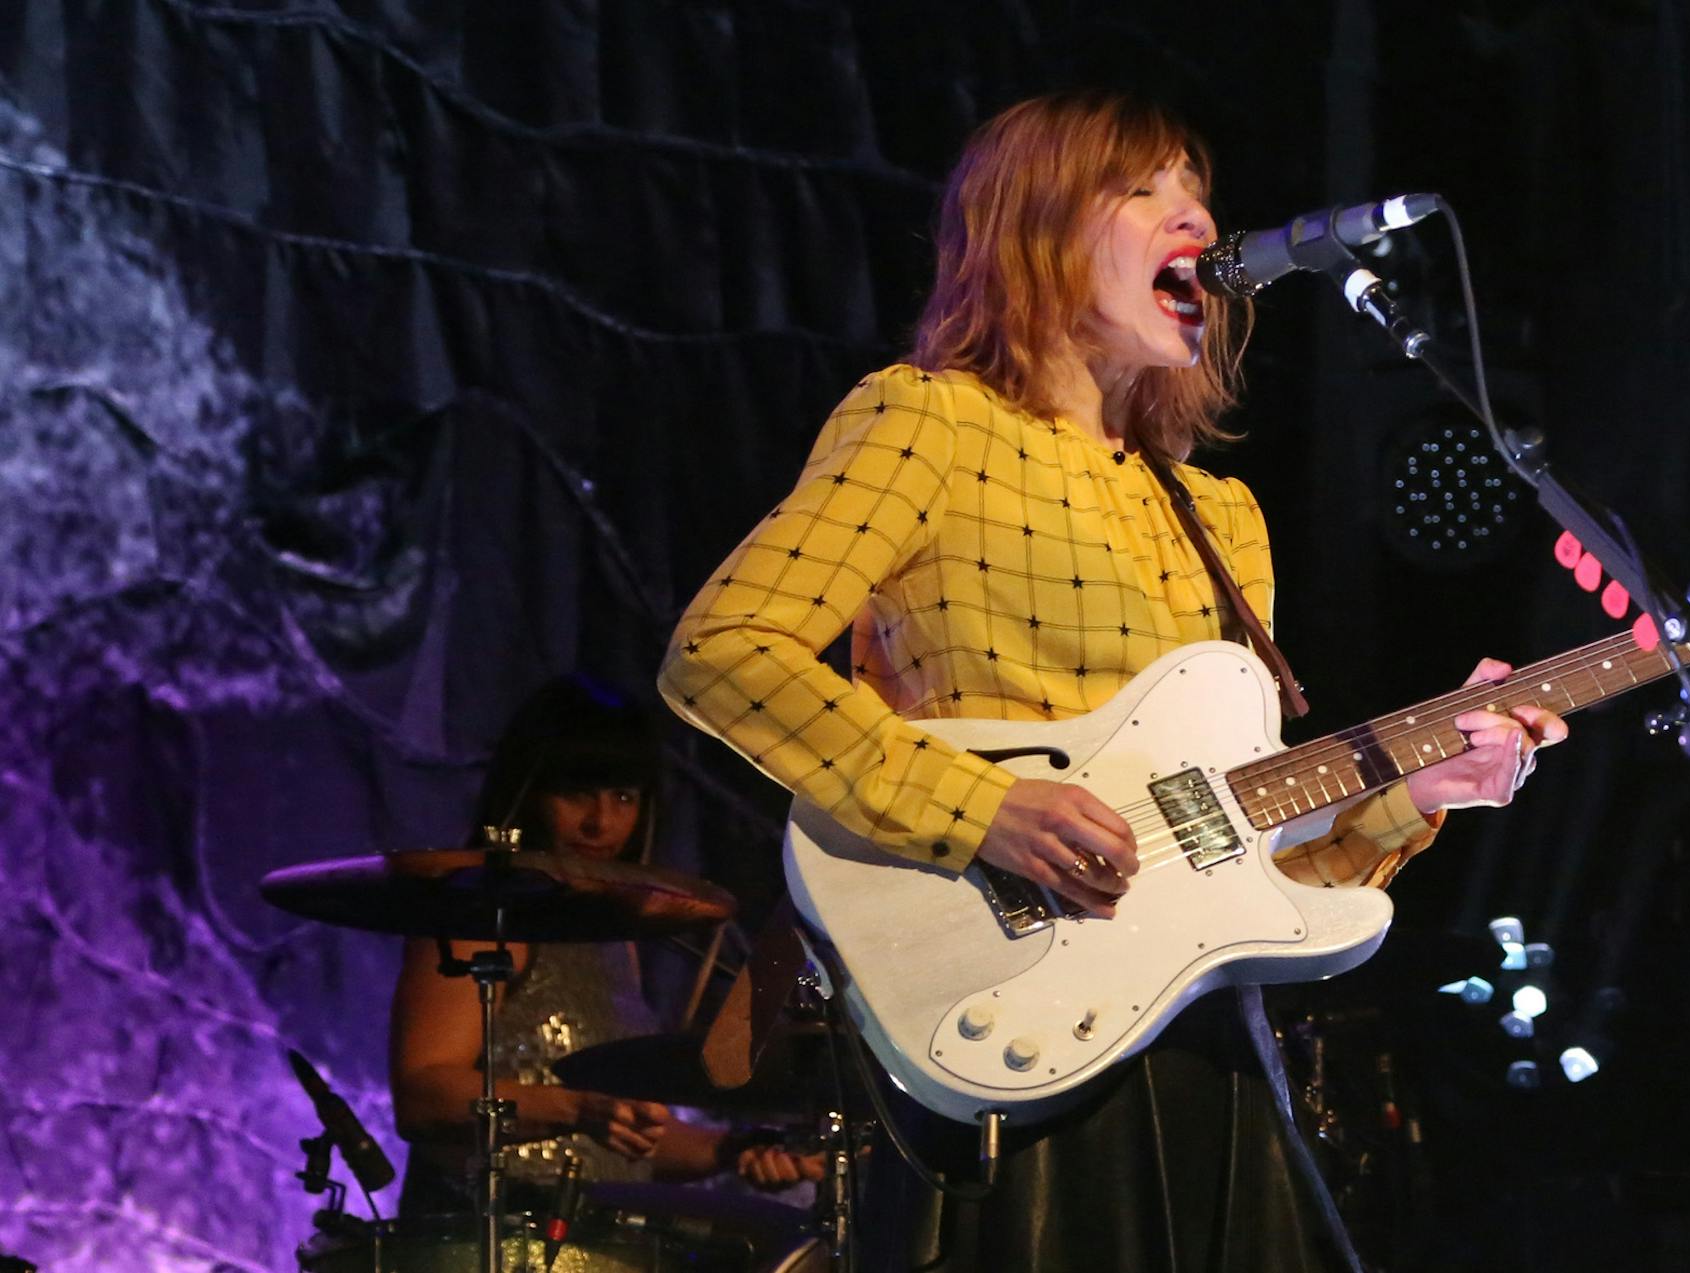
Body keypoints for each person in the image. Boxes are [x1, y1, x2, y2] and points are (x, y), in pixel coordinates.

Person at [658, 90, 1566, 1271]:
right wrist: (982, 809)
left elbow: (1248, 864)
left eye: (1198, 190)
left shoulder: (1219, 516)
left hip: (1204, 1043)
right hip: (1015, 1016)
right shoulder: (927, 422)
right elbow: (724, 649)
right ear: (1035, 226)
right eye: (1146, 188)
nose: (1195, 215)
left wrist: (1418, 794)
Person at [388, 674, 820, 1218]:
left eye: (623, 797)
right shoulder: (483, 917)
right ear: (527, 794)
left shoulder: (614, 938)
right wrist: (577, 1108)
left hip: (584, 1239)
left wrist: (735, 1149)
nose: (602, 823)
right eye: (577, 794)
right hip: (484, 1238)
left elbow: (622, 1144)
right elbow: (426, 1095)